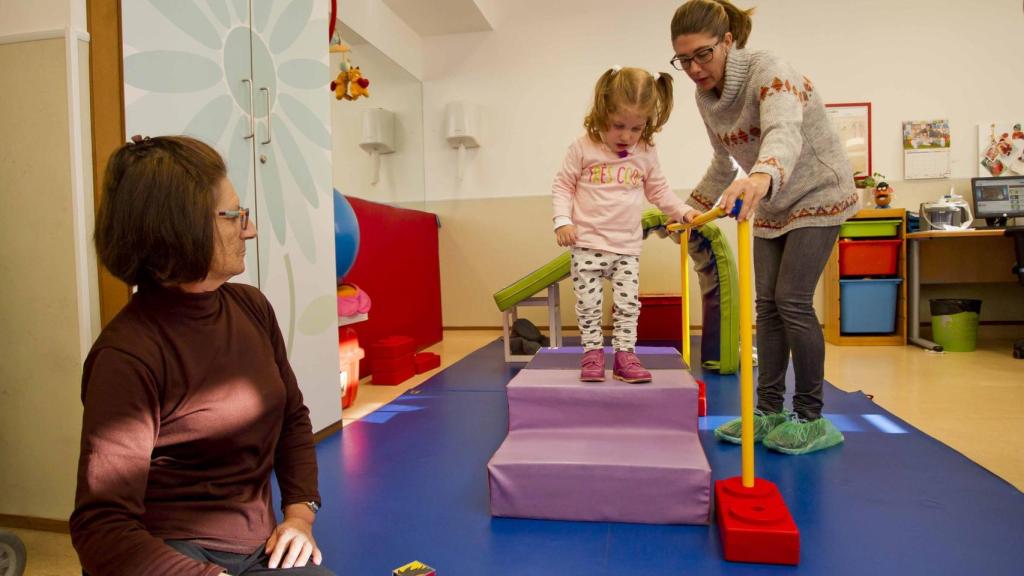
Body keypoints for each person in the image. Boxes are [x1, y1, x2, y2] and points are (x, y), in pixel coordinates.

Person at [70, 135, 335, 575]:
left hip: (259, 546)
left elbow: (292, 418)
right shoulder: (127, 355)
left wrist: (299, 516)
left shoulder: (252, 307)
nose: (249, 229)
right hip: (172, 557)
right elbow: (102, 527)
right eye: (235, 216)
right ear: (180, 227)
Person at [670, 0, 859, 454]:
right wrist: (686, 210)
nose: (695, 69)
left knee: (792, 300)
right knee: (766, 307)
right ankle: (768, 409)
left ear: (728, 42)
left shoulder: (770, 70)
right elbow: (722, 160)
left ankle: (811, 417)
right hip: (771, 199)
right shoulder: (705, 97)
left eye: (703, 55)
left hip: (817, 191)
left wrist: (758, 176)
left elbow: (783, 132)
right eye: (684, 59)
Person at [552, 66, 698, 384]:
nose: (627, 136)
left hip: (627, 247)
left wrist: (683, 211)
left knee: (628, 305)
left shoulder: (644, 151)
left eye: (636, 128)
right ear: (602, 112)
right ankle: (592, 354)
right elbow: (563, 185)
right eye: (619, 126)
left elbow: (658, 190)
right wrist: (562, 220)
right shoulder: (583, 147)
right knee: (589, 305)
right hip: (587, 242)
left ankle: (624, 356)